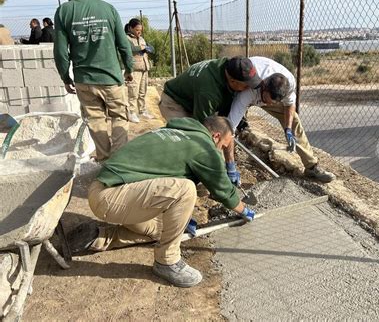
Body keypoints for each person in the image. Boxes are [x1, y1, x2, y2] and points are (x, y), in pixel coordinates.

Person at [68, 116, 255, 288]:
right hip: (112, 197)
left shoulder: (174, 133)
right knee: (186, 189)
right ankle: (167, 261)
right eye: (223, 145)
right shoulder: (203, 146)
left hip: (109, 191)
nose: (220, 150)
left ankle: (98, 238)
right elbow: (223, 191)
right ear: (215, 136)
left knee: (163, 230)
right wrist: (243, 209)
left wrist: (178, 221)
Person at [53, 0, 134, 162]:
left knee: (96, 120)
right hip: (111, 78)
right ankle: (119, 161)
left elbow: (60, 52)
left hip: (84, 80)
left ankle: (105, 159)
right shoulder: (108, 9)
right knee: (119, 118)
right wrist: (129, 69)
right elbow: (124, 45)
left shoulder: (64, 11)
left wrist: (66, 78)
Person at [227, 56, 335, 183]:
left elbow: (289, 105)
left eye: (273, 102)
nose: (269, 105)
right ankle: (223, 166)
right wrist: (230, 166)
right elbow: (228, 129)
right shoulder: (247, 91)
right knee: (226, 125)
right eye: (267, 100)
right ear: (264, 87)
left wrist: (288, 129)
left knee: (294, 121)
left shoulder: (288, 83)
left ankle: (311, 167)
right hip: (241, 85)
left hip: (267, 93)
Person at [159, 56, 262, 185]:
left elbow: (225, 127)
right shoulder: (209, 92)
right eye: (246, 85)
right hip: (174, 102)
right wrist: (216, 170)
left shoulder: (228, 66)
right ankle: (178, 181)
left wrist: (230, 165)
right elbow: (201, 132)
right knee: (189, 141)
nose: (248, 89)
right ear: (232, 81)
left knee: (212, 142)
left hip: (194, 101)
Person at [124, 18, 154, 123]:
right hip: (134, 70)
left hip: (144, 68)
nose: (139, 32)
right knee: (133, 92)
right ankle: (131, 113)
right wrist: (142, 48)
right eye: (137, 30)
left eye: (140, 30)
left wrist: (148, 48)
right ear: (131, 28)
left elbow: (147, 49)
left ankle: (142, 110)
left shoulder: (141, 38)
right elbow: (131, 49)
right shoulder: (126, 38)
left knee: (142, 92)